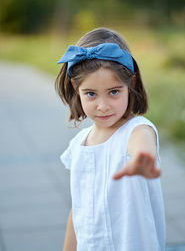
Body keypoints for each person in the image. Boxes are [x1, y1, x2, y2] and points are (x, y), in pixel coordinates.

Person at [55, 27, 165, 251]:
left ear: (131, 84)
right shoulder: (78, 144)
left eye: (114, 92)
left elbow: (143, 145)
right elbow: (78, 210)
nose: (102, 106)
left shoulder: (137, 130)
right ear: (77, 88)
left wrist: (143, 159)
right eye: (91, 94)